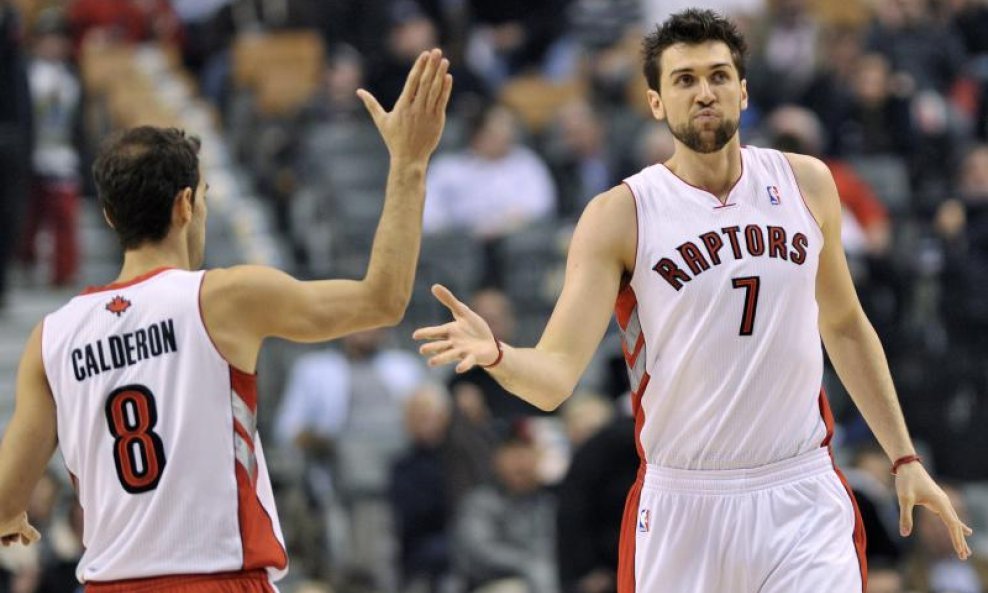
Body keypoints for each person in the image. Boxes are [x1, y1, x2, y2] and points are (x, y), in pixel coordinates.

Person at [413, 10, 971, 593]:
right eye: (684, 80)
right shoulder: (621, 215)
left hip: (801, 490)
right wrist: (499, 353)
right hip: (685, 501)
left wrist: (904, 458)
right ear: (655, 101)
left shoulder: (808, 183)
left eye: (718, 76)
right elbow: (554, 378)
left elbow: (846, 326)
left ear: (743, 89)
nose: (704, 92)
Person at [0, 48, 452, 592]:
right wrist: (409, 162)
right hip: (216, 579)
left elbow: (7, 497)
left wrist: (9, 520)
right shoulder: (224, 296)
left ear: (109, 215)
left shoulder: (51, 336)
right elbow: (382, 301)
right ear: (186, 205)